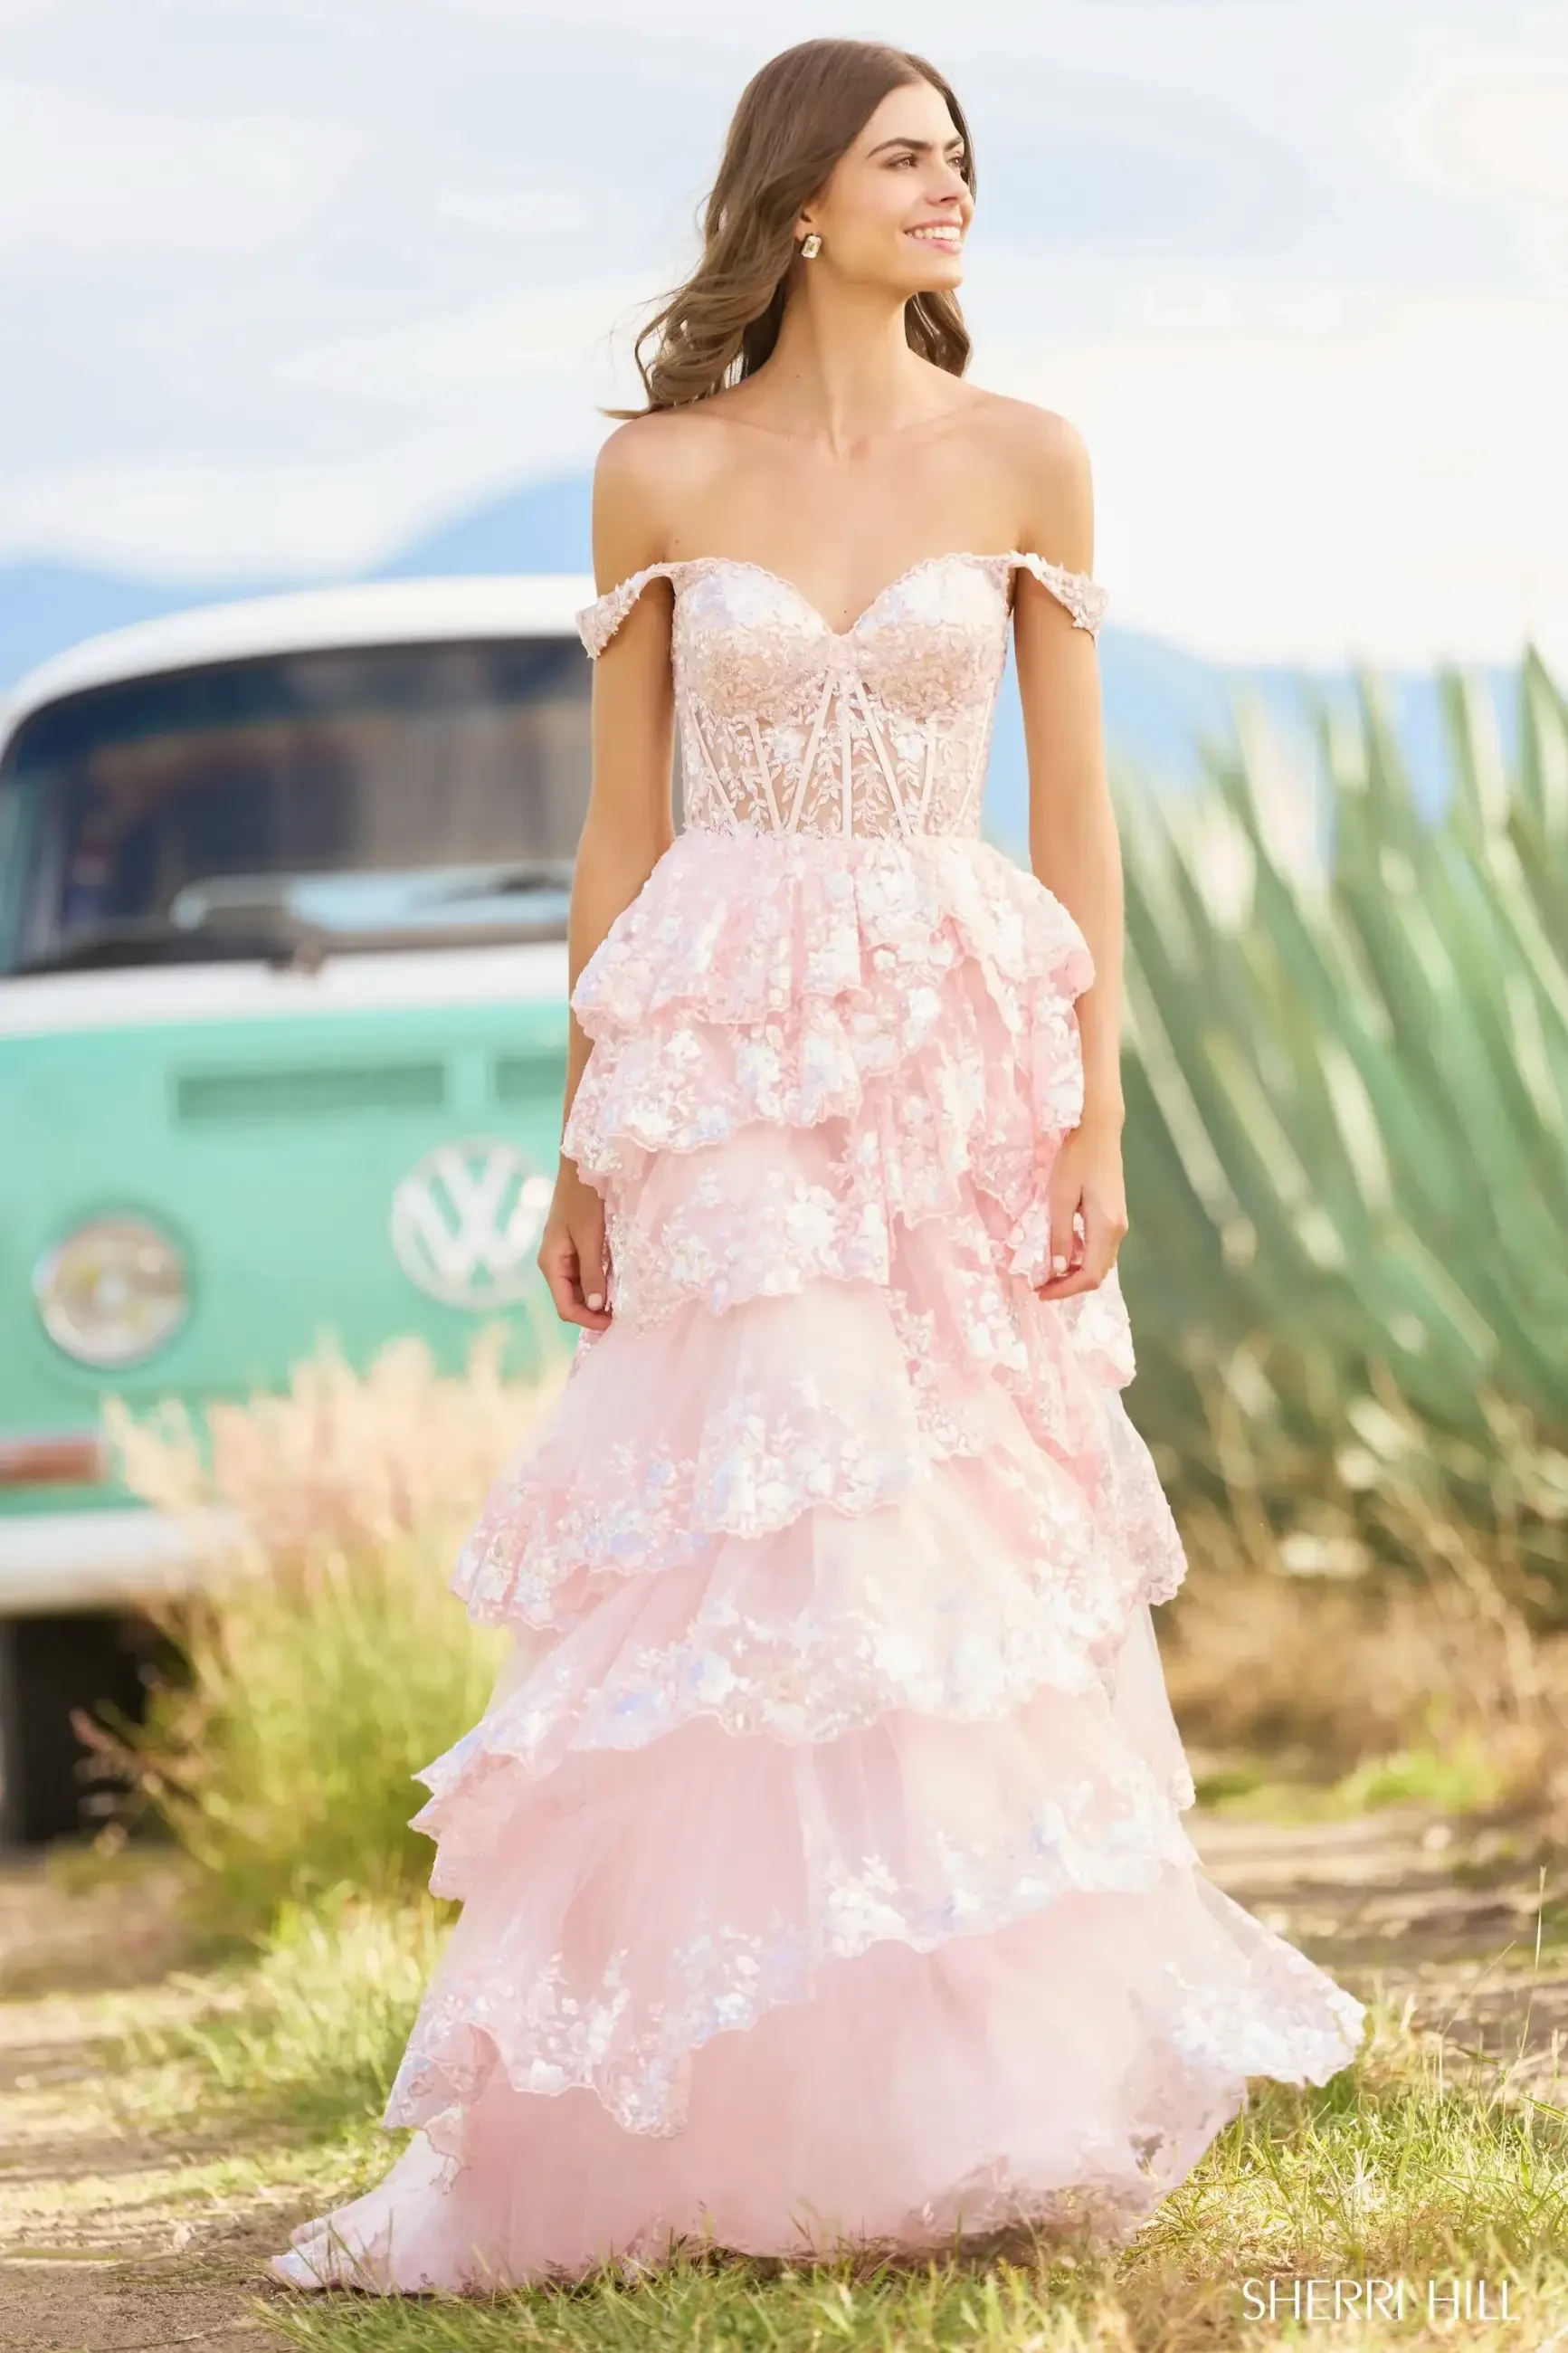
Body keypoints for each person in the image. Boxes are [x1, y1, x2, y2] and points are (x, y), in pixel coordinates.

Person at [271, 35, 1365, 2296]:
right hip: (724, 1040)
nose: (948, 190)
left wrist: (1095, 1106)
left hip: (956, 1034)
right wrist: (586, 1127)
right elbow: (617, 823)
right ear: (796, 204)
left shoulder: (1031, 456)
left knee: (946, 1534)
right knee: (770, 1531)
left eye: (962, 159)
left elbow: (1073, 815)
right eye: (904, 158)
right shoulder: (653, 477)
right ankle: (718, 2091)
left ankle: (956, 2090)